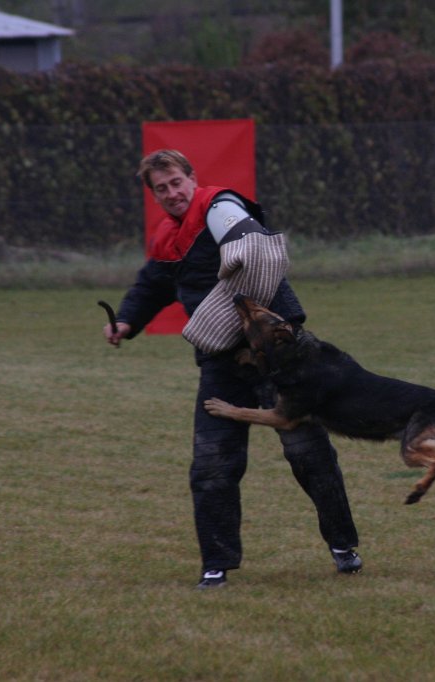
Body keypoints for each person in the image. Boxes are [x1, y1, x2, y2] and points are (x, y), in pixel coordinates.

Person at [104, 149, 362, 589]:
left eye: (176, 183)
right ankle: (216, 564)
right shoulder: (168, 238)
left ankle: (342, 545)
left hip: (278, 356)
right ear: (154, 196)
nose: (171, 193)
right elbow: (154, 284)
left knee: (309, 454)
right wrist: (127, 320)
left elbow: (254, 246)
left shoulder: (221, 206)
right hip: (221, 361)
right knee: (211, 463)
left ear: (191, 178)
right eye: (161, 189)